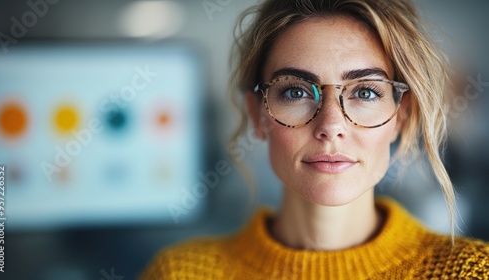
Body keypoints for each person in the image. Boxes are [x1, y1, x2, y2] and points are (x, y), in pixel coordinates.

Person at [140, 0, 489, 279]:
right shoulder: (180, 273)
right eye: (294, 91)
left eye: (365, 93)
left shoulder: (469, 272)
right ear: (258, 115)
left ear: (401, 116)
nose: (331, 125)